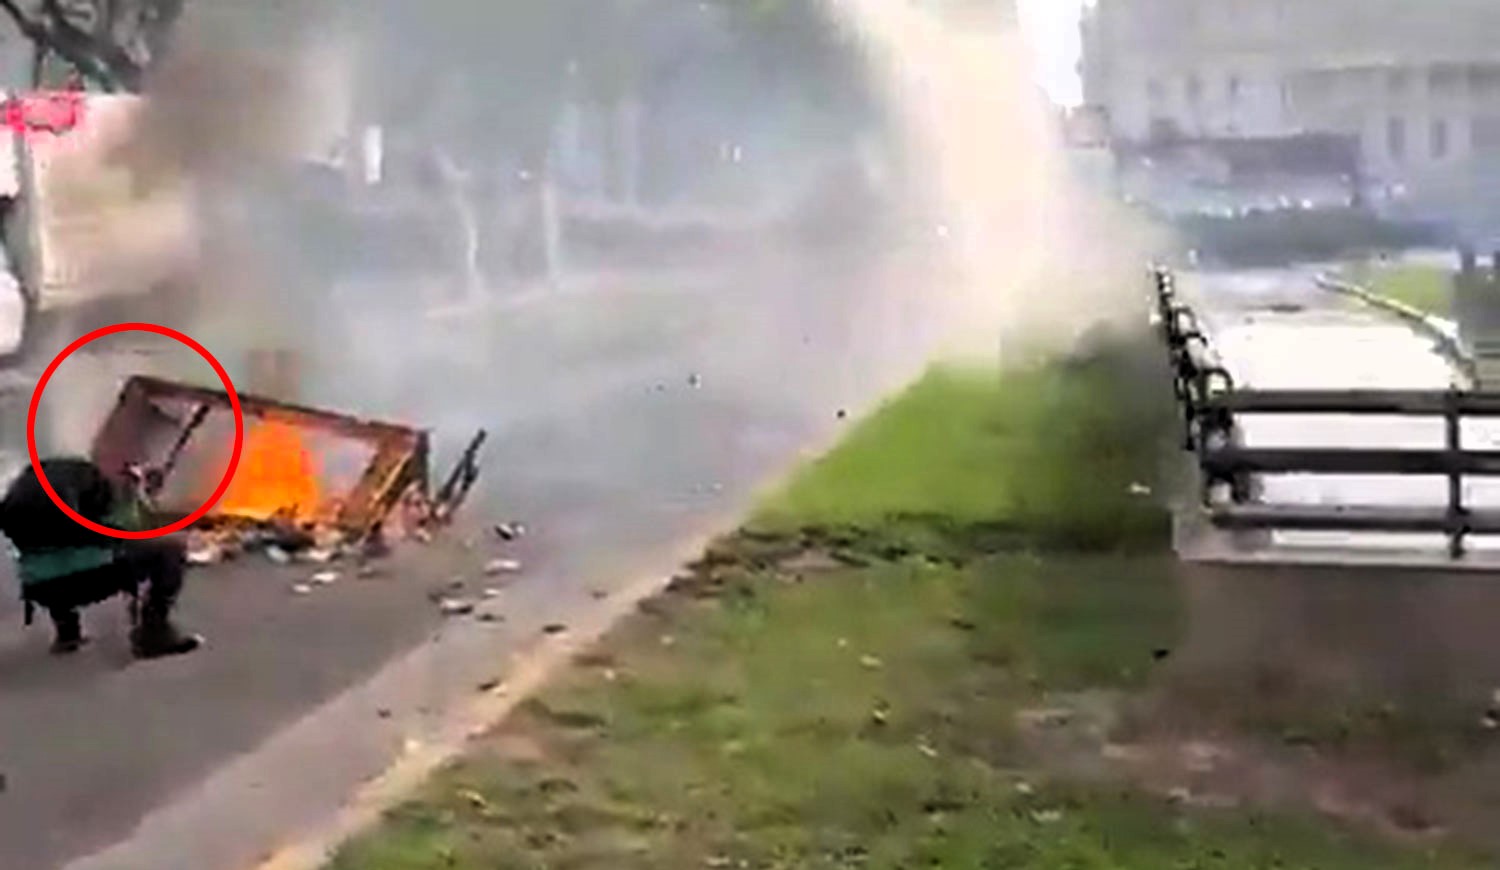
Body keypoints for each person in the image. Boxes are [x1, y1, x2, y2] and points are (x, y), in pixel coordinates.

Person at [0, 457, 202, 658]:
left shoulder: (25, 493)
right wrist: (161, 535)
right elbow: (111, 534)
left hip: (40, 590)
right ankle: (153, 634)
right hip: (82, 583)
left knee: (49, 555)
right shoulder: (91, 485)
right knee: (169, 551)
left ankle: (67, 633)